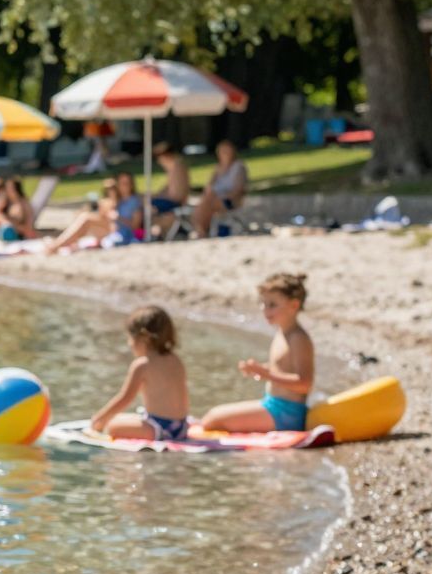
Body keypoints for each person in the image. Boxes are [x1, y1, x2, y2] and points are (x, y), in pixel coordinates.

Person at [199, 272, 315, 433]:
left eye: (272, 305)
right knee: (211, 418)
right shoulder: (283, 332)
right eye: (263, 304)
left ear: (294, 305)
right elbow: (284, 368)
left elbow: (304, 384)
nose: (265, 310)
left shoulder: (298, 338)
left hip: (287, 413)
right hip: (273, 405)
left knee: (212, 419)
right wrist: (261, 369)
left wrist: (266, 374)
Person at [86, 306, 191, 441]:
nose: (129, 344)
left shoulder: (142, 365)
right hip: (182, 427)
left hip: (160, 429)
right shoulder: (175, 360)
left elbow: (125, 398)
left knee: (112, 426)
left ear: (144, 338)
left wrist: (99, 419)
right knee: (126, 418)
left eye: (130, 338)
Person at [43, 180, 121, 254]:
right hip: (103, 225)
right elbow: (103, 213)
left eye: (111, 189)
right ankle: (58, 244)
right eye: (108, 189)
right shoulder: (106, 200)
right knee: (82, 220)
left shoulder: (115, 201)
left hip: (108, 227)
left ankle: (56, 245)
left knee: (84, 219)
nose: (110, 191)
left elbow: (111, 215)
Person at [192, 140, 249, 238]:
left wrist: (223, 196)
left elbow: (239, 189)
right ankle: (201, 230)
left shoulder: (239, 166)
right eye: (222, 151)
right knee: (205, 203)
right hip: (214, 199)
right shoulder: (217, 168)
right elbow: (209, 187)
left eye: (227, 151)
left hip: (230, 200)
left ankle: (202, 231)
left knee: (205, 204)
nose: (225, 154)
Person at [149, 143, 191, 238]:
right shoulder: (174, 168)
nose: (159, 162)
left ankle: (155, 232)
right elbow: (167, 189)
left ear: (166, 156)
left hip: (175, 202)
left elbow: (175, 195)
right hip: (174, 201)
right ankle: (157, 231)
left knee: (148, 207)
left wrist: (156, 197)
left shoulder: (177, 168)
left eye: (159, 158)